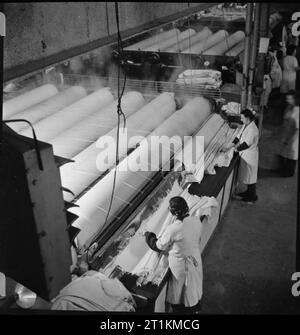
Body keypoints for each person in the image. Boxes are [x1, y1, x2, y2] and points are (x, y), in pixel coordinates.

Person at [145, 196, 205, 314]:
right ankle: (194, 310)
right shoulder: (196, 220)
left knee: (181, 292)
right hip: (195, 259)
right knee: (193, 288)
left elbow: (158, 246)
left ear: (173, 212)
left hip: (181, 265)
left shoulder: (174, 228)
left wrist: (148, 235)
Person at [224, 109, 259, 203]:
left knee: (250, 178)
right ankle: (248, 193)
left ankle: (252, 197)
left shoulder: (253, 129)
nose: (241, 119)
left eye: (242, 117)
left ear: (247, 118)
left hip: (249, 155)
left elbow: (246, 144)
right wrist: (230, 145)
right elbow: (238, 136)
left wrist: (235, 149)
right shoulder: (246, 125)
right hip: (245, 154)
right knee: (248, 177)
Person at [278, 91, 299, 177]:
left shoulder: (298, 111)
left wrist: (290, 139)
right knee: (284, 152)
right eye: (287, 98)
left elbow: (297, 128)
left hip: (294, 135)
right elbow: (284, 120)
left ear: (295, 99)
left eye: (290, 98)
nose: (287, 100)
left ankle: (290, 172)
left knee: (292, 154)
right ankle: (283, 169)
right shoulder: (288, 108)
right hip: (286, 133)